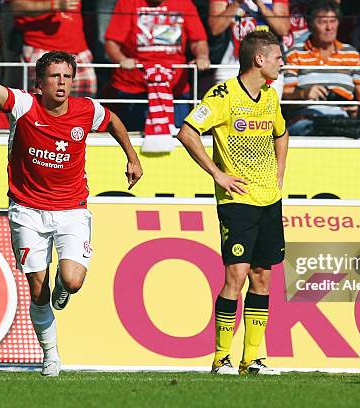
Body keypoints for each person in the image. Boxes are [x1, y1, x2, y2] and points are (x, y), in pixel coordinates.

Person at [0, 21, 143, 377]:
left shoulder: (86, 110)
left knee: (72, 281)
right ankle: (50, 355)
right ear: (39, 83)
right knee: (38, 289)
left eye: (67, 76)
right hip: (27, 211)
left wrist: (132, 156)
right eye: (54, 76)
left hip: (71, 210)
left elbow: (113, 120)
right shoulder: (23, 106)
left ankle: (64, 291)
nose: (62, 82)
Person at [177, 30, 288, 375]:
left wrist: (279, 176)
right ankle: (220, 358)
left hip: (268, 200)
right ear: (259, 60)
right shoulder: (222, 95)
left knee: (262, 278)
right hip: (236, 201)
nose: (281, 62)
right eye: (277, 57)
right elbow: (187, 132)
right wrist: (218, 175)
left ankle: (251, 359)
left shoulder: (270, 96)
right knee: (236, 276)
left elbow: (281, 134)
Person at [104, 0, 210, 132]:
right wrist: (122, 59)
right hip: (133, 89)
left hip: (175, 90)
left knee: (180, 140)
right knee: (131, 141)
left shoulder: (185, 4)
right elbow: (112, 42)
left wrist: (202, 56)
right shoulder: (127, 3)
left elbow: (198, 41)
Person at [283, 0, 360, 137]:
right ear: (310, 25)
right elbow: (283, 98)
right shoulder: (294, 54)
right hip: (306, 121)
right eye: (322, 22)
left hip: (342, 122)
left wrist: (357, 107)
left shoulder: (352, 55)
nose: (329, 27)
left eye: (333, 21)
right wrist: (304, 95)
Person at [208, 0, 290, 97]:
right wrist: (236, 3)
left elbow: (283, 29)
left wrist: (260, 4)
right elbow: (215, 28)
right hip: (230, 67)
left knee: (266, 110)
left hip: (267, 68)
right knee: (228, 110)